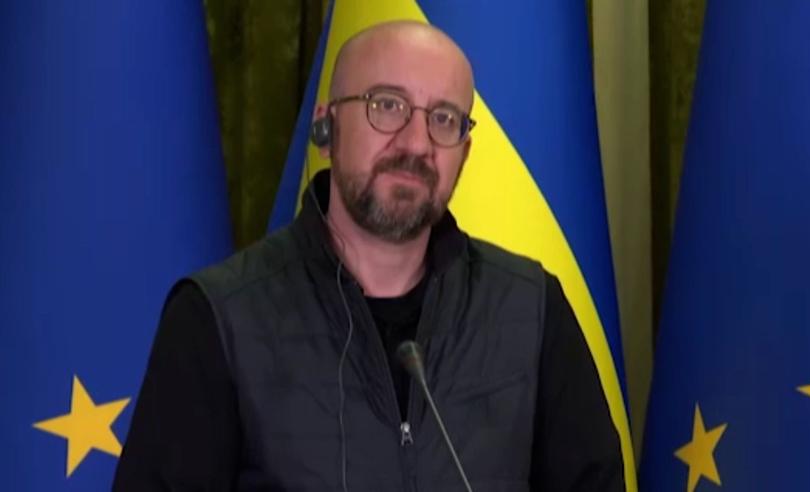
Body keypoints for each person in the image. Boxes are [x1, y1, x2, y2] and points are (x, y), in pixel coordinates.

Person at [114, 20, 623, 491]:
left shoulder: (531, 310)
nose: (416, 144)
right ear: (327, 129)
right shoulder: (217, 316)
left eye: (444, 119)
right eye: (388, 105)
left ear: (464, 153)